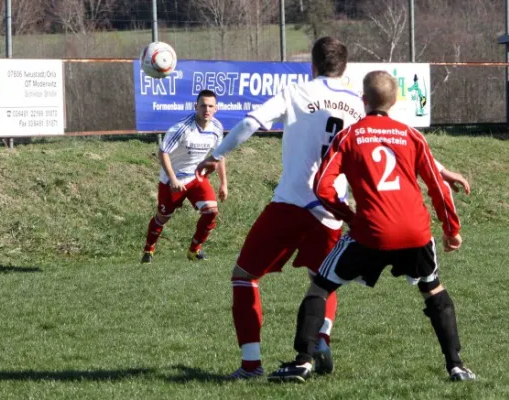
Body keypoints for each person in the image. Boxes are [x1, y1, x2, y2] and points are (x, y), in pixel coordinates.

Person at [196, 38, 470, 380]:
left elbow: (251, 123)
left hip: (293, 202)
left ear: (312, 65)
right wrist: (440, 169)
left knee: (245, 277)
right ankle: (321, 341)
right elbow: (393, 138)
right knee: (325, 279)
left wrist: (217, 154)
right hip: (332, 211)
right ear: (344, 68)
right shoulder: (358, 103)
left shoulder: (295, 93)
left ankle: (252, 365)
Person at [267, 70, 475, 383]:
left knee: (321, 286)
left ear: (364, 101)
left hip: (371, 231)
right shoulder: (411, 135)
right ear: (395, 102)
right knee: (432, 289)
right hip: (415, 232)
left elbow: (322, 187)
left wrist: (349, 217)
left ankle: (303, 362)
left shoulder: (349, 136)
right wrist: (451, 229)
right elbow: (438, 186)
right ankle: (456, 365)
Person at [141, 89, 227, 264]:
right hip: (173, 180)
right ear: (196, 106)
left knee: (211, 212)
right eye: (203, 105)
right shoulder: (181, 128)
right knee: (162, 218)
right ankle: (148, 250)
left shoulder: (217, 127)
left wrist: (224, 183)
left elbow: (220, 155)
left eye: (211, 106)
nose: (207, 109)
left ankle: (194, 250)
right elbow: (163, 152)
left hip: (196, 178)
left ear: (216, 108)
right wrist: (172, 179)